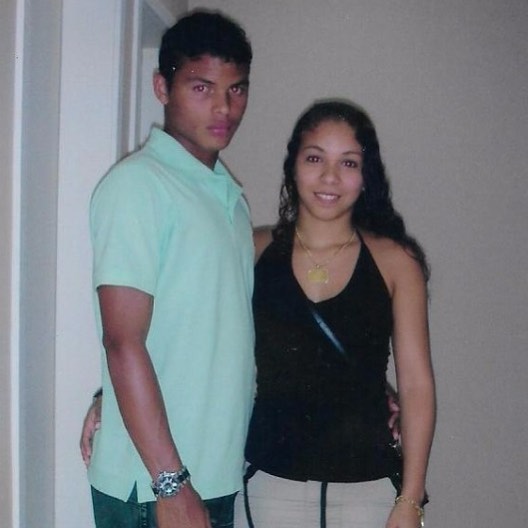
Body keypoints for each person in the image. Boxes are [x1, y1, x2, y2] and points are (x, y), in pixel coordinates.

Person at [85, 10, 255, 528]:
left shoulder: (228, 200)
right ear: (162, 87)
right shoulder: (139, 185)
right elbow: (122, 341)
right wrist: (171, 483)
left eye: (236, 89)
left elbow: (192, 329)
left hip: (211, 473)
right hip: (157, 486)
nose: (223, 107)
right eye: (202, 88)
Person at [235, 100, 435, 528]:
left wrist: (410, 500)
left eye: (348, 162)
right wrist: (111, 399)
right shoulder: (251, 250)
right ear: (293, 166)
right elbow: (193, 332)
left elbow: (417, 386)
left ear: (366, 176)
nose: (330, 177)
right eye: (315, 158)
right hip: (268, 486)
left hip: (368, 493)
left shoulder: (397, 263)